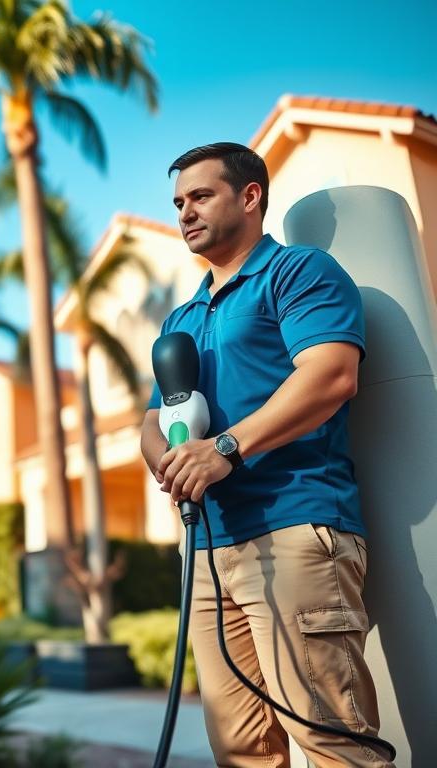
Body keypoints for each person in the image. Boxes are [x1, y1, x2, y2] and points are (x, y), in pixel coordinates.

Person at [139, 142, 393, 767]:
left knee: (334, 741)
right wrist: (170, 461)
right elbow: (153, 420)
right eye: (178, 203)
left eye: (201, 196)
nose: (185, 213)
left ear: (250, 197)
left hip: (294, 530)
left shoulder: (299, 273)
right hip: (205, 552)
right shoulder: (182, 316)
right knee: (241, 751)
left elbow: (332, 375)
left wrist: (224, 447)